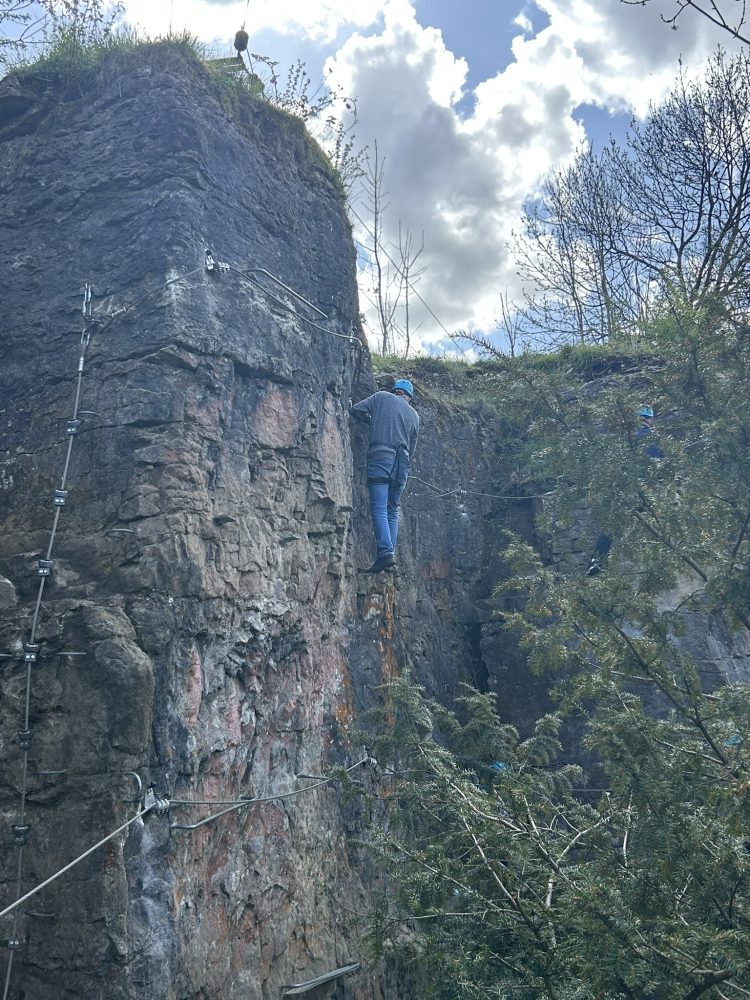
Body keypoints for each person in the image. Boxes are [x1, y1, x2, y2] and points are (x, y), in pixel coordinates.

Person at [350, 379, 420, 573]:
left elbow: (355, 410)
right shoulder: (414, 415)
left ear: (395, 391)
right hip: (402, 464)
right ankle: (390, 557)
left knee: (379, 507)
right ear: (409, 397)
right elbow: (411, 448)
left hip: (381, 457)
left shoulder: (381, 397)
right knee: (392, 509)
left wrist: (373, 420)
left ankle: (385, 553)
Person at [586, 404, 663, 576]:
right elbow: (659, 464)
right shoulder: (653, 439)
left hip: (627, 491)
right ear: (649, 420)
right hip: (647, 491)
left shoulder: (625, 440)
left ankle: (596, 561)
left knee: (611, 527)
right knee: (660, 521)